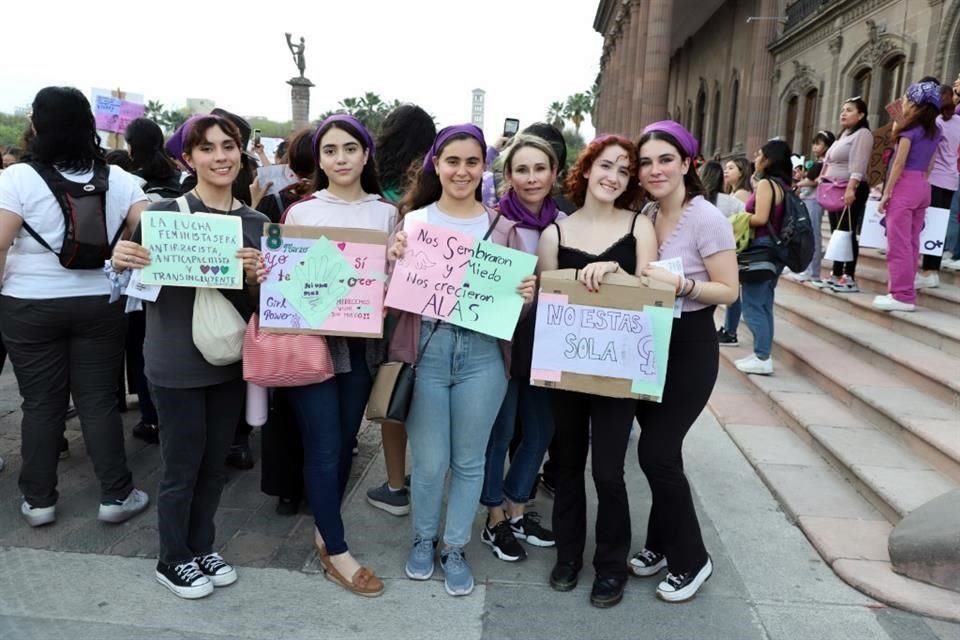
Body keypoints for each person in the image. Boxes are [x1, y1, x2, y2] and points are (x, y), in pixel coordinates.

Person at [109, 114, 268, 599]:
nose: (220, 156)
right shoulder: (162, 217)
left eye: (228, 146)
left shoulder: (257, 223)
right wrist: (120, 260)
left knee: (215, 464)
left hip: (229, 360)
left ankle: (202, 545)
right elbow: (129, 285)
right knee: (181, 465)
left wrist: (258, 279)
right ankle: (171, 557)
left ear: (241, 153)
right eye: (207, 148)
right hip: (174, 361)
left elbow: (270, 308)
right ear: (188, 158)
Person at [388, 124, 536, 597]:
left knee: (470, 460)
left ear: (484, 168)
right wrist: (391, 261)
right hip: (427, 348)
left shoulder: (504, 228)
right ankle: (423, 538)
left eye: (472, 161)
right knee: (430, 461)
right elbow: (391, 296)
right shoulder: (413, 222)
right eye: (453, 160)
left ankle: (454, 547)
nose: (462, 170)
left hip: (481, 354)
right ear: (437, 163)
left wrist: (526, 294)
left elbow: (513, 307)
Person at [0, 86, 150, 529]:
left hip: (28, 305)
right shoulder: (119, 179)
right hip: (99, 303)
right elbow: (153, 230)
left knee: (40, 404)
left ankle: (40, 501)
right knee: (99, 401)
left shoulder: (16, 179)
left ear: (37, 125)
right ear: (88, 124)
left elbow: (1, 243)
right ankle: (116, 495)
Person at [537, 134, 657, 608]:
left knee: (609, 471)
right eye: (606, 166)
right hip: (566, 368)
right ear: (586, 169)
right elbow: (546, 302)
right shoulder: (556, 234)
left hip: (618, 369)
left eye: (624, 171)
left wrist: (618, 275)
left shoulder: (639, 227)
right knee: (566, 466)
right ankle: (568, 556)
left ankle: (611, 565)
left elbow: (653, 292)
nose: (614, 177)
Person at [280, 114, 393, 597]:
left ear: (366, 154)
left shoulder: (386, 214)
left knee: (344, 439)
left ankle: (325, 525)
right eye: (330, 150)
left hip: (364, 343)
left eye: (350, 148)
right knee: (324, 444)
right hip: (313, 341)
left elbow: (396, 281)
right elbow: (284, 284)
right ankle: (337, 549)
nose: (340, 158)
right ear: (318, 159)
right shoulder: (301, 213)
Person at [628, 121, 738, 603]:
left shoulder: (705, 217)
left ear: (688, 164)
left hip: (691, 342)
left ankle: (693, 559)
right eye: (647, 162)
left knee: (655, 451)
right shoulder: (647, 213)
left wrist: (685, 287)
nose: (655, 170)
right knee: (661, 453)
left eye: (665, 159)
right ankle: (659, 542)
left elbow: (729, 289)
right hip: (649, 338)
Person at [479, 135, 564, 563]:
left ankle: (516, 505)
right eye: (522, 169)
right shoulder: (491, 225)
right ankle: (494, 517)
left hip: (547, 345)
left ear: (554, 173)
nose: (532, 178)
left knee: (541, 430)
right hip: (501, 344)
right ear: (508, 176)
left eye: (540, 168)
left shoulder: (564, 223)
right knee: (500, 432)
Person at [365, 103, 437, 516]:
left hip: (382, 312)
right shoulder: (429, 187)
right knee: (426, 396)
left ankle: (395, 485)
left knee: (394, 392)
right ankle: (425, 475)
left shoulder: (374, 190)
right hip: (426, 308)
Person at [123, 117, 184, 445]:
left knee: (142, 347)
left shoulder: (132, 182)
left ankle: (150, 418)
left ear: (132, 145)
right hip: (180, 277)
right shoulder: (177, 177)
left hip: (144, 278)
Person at [873, 82, 945, 312]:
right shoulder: (936, 131)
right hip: (923, 185)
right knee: (912, 243)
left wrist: (886, 193)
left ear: (915, 104)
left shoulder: (909, 131)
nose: (902, 104)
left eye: (905, 100)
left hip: (904, 186)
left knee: (898, 244)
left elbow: (899, 163)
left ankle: (901, 295)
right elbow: (931, 163)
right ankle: (905, 291)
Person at [731, 140, 793, 375]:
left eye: (759, 155)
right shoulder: (784, 186)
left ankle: (761, 356)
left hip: (761, 248)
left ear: (768, 160)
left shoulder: (767, 184)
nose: (755, 159)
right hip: (774, 251)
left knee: (753, 304)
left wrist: (737, 219)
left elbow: (760, 218)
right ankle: (762, 352)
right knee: (764, 303)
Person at [820, 97, 873, 293]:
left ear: (861, 115)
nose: (843, 113)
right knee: (837, 233)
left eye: (849, 110)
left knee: (847, 232)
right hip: (834, 188)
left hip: (851, 188)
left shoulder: (863, 134)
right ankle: (835, 274)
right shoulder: (843, 135)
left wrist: (851, 188)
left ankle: (848, 276)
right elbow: (829, 160)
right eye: (842, 109)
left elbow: (858, 164)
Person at [915, 84, 960, 287]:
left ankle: (928, 271)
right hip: (951, 179)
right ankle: (932, 270)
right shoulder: (958, 121)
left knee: (931, 225)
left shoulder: (935, 122)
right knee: (939, 225)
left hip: (934, 178)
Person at [796, 131, 836, 284]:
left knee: (814, 235)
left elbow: (817, 181)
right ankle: (808, 270)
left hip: (815, 200)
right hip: (808, 199)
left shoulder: (827, 162)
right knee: (808, 235)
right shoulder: (819, 161)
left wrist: (801, 183)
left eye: (818, 143)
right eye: (814, 143)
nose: (814, 147)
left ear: (827, 145)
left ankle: (813, 272)